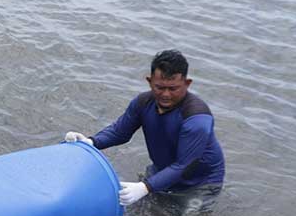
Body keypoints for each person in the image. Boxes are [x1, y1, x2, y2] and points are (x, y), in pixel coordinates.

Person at [65, 49, 225, 207]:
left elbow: (183, 166)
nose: (166, 94)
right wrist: (91, 142)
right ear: (149, 81)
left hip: (199, 184)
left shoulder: (196, 119)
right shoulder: (143, 103)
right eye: (160, 87)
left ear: (187, 83)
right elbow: (119, 132)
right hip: (161, 171)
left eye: (173, 88)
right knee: (142, 213)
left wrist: (145, 187)